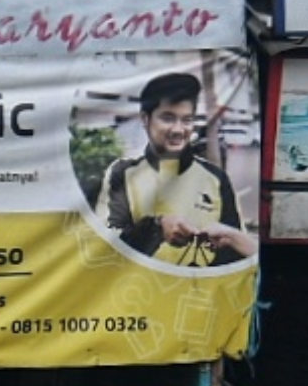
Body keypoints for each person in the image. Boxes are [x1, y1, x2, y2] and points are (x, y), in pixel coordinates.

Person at [97, 70, 256, 267]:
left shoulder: (216, 178)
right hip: (137, 292)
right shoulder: (122, 173)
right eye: (168, 118)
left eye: (187, 120)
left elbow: (234, 253)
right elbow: (105, 247)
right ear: (145, 119)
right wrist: (157, 228)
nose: (178, 130)